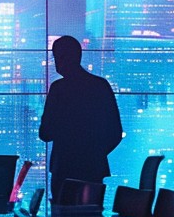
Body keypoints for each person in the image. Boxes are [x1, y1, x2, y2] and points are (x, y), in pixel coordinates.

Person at [39, 35, 124, 198]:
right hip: (93, 169)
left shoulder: (58, 89)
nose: (56, 63)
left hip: (62, 168)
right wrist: (94, 154)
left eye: (57, 57)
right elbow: (115, 132)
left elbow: (45, 133)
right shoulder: (101, 86)